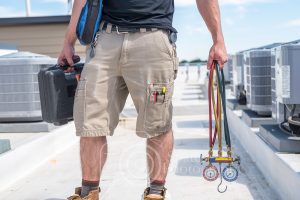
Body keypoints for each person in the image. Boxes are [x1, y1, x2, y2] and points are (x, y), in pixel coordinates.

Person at [58, 0, 228, 199]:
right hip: (105, 40)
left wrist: (218, 40)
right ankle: (89, 193)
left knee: (158, 124)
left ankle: (155, 193)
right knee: (91, 122)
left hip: (153, 39)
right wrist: (68, 41)